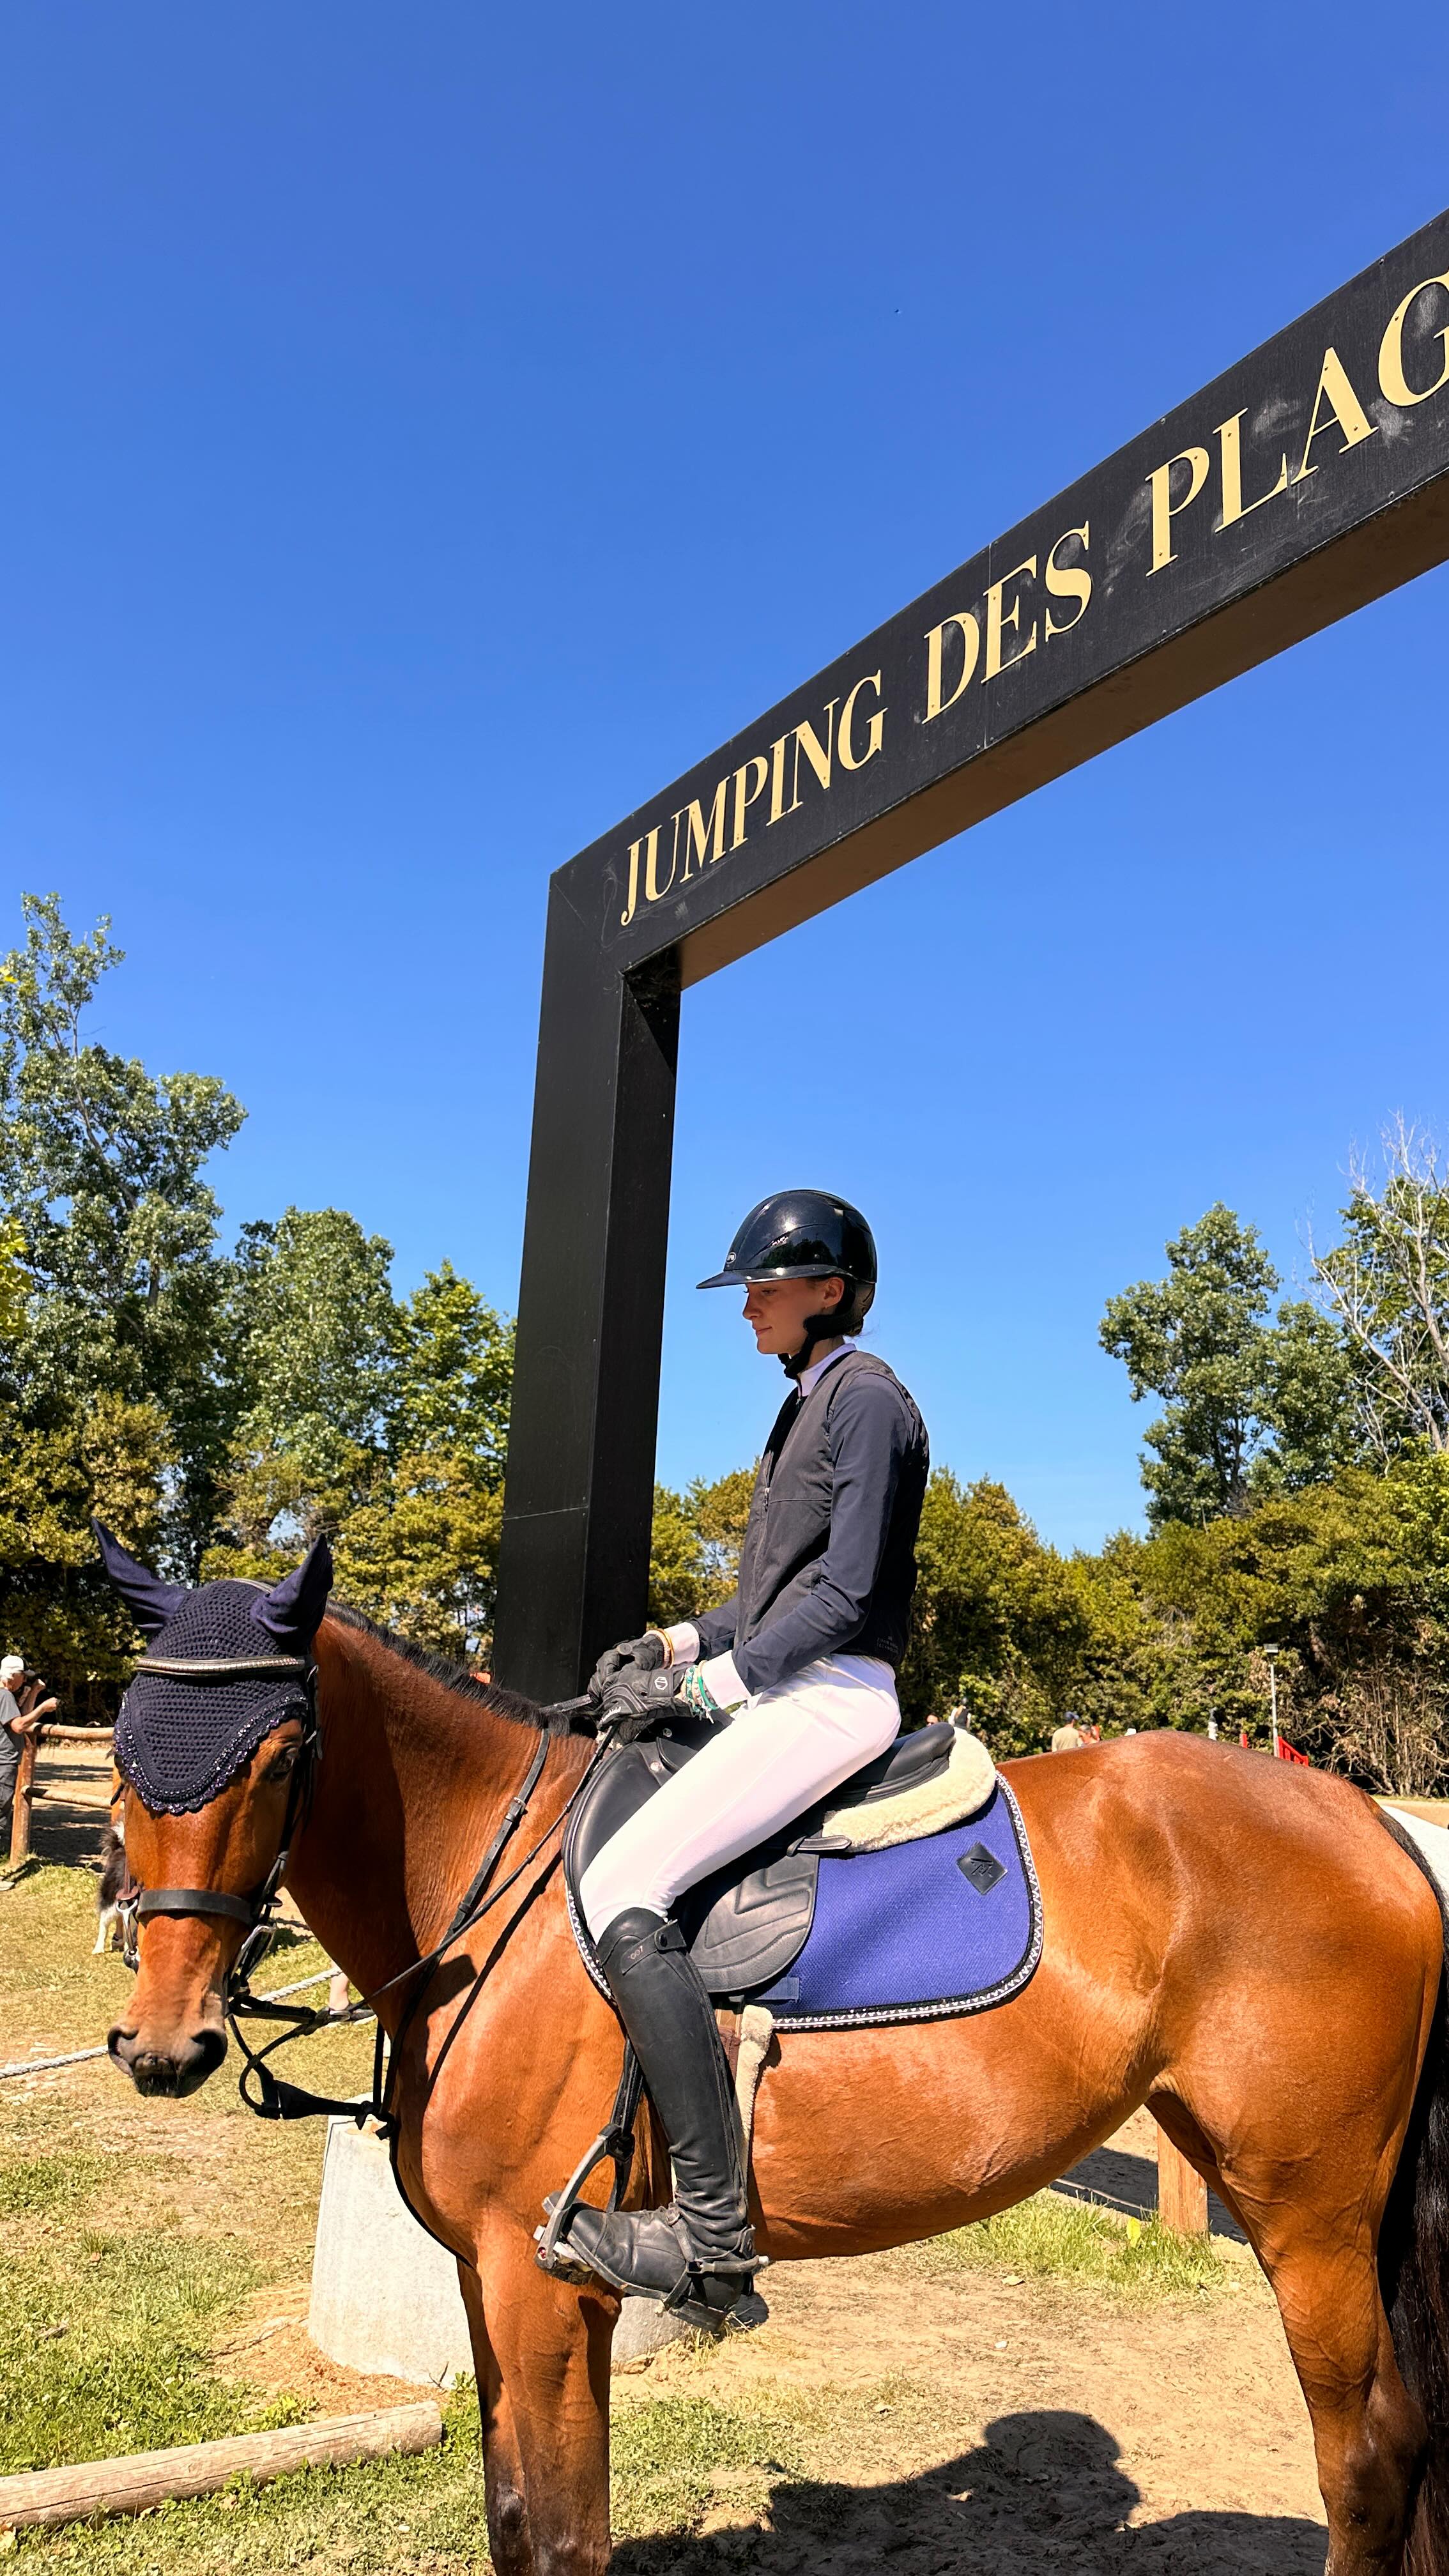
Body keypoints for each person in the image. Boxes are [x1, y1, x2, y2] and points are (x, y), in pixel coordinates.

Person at [542, 1189, 930, 2326]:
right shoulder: (804, 1405)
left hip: (833, 1694)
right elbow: (773, 1591)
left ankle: (710, 2240)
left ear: (830, 1292)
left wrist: (720, 1682)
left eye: (763, 1284)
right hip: (788, 1678)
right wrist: (673, 1640)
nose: (746, 1304)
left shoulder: (866, 1403)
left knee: (621, 1886)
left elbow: (848, 1593)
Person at [0, 1654, 52, 1852]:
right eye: (23, 1676)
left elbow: (21, 1716)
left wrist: (34, 1692)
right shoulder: (4, 1696)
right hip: (3, 1765)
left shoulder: (5, 1696)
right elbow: (20, 1725)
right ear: (13, 1676)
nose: (24, 1681)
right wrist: (43, 1708)